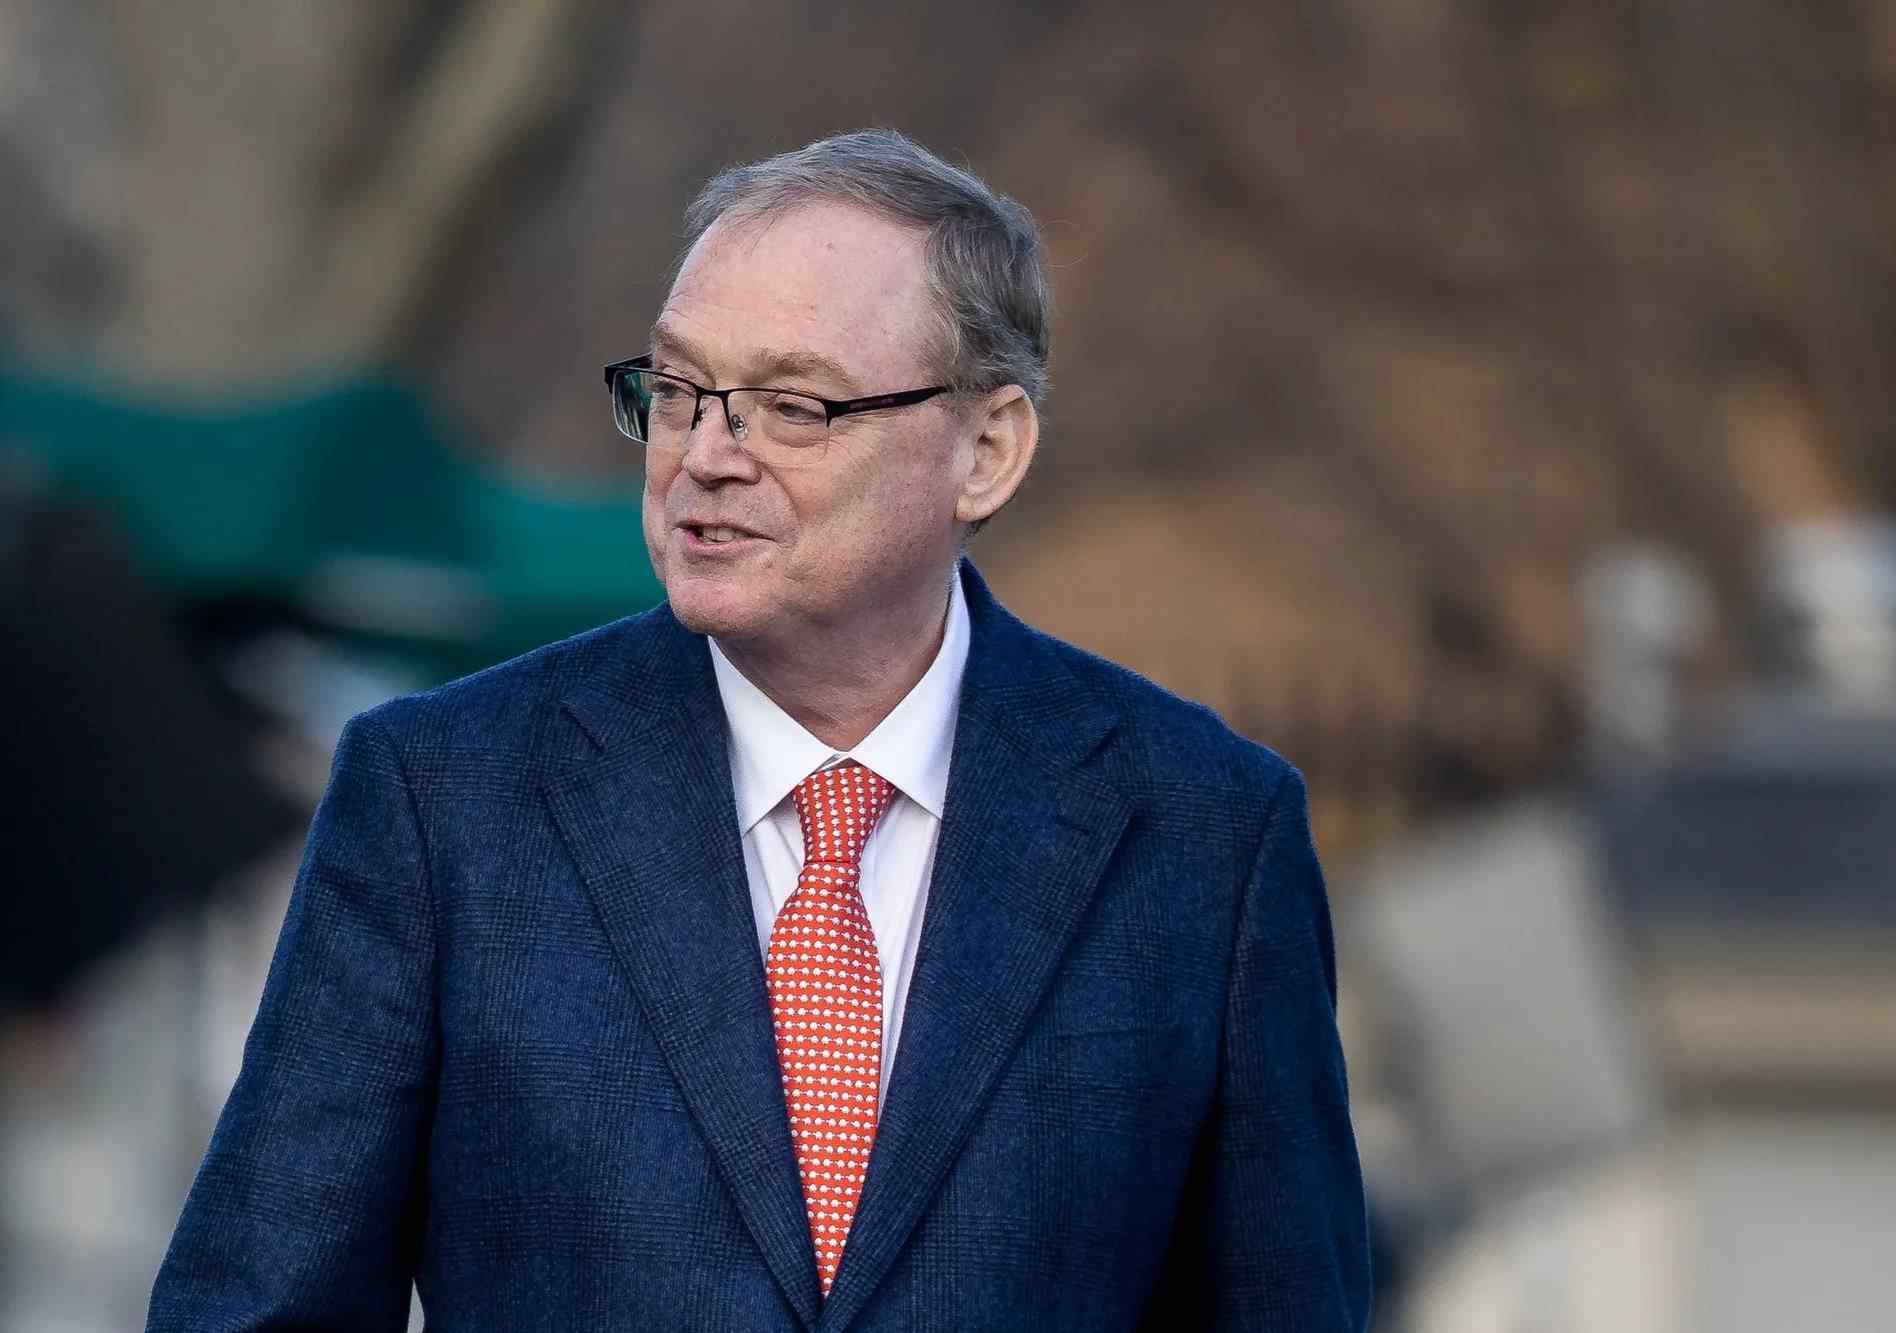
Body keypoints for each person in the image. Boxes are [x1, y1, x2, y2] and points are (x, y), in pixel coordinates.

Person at [147, 129, 1370, 1332]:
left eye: (790, 406)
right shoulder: (443, 799)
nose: (705, 456)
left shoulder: (1204, 833)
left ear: (986, 450)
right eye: (678, 392)